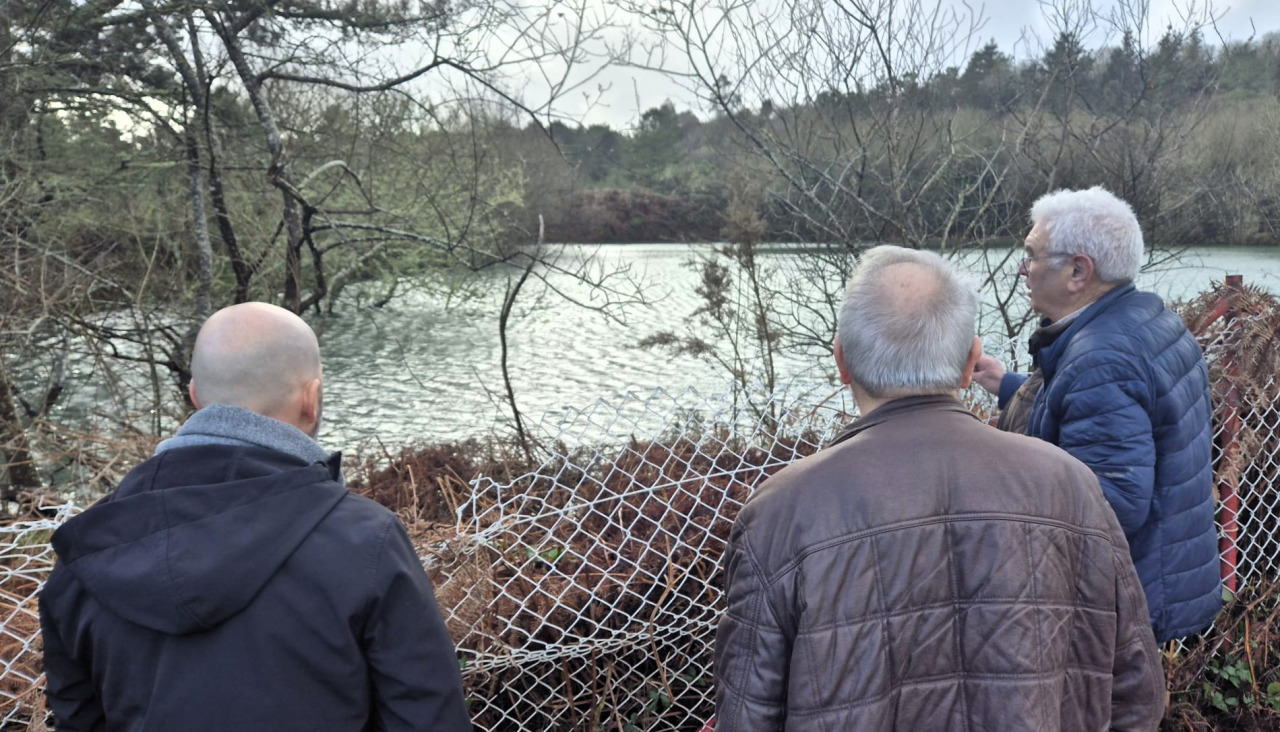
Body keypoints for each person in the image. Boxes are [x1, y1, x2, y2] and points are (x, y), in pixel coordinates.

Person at [714, 246, 1164, 731]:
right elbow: (1137, 692)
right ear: (972, 362)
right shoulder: (1069, 481)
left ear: (841, 360)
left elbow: (746, 713)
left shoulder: (782, 509)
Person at [39, 302, 472, 732]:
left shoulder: (88, 550)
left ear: (194, 397)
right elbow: (429, 718)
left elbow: (78, 718)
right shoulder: (366, 541)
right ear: (311, 398)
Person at [972, 186, 1221, 643]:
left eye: (1031, 255)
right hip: (1163, 574)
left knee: (1103, 717)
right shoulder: (1145, 320)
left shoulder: (1102, 358)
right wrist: (1008, 387)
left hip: (1119, 605)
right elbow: (1100, 422)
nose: (1022, 268)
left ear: (1077, 270)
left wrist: (994, 495)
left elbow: (1112, 501)